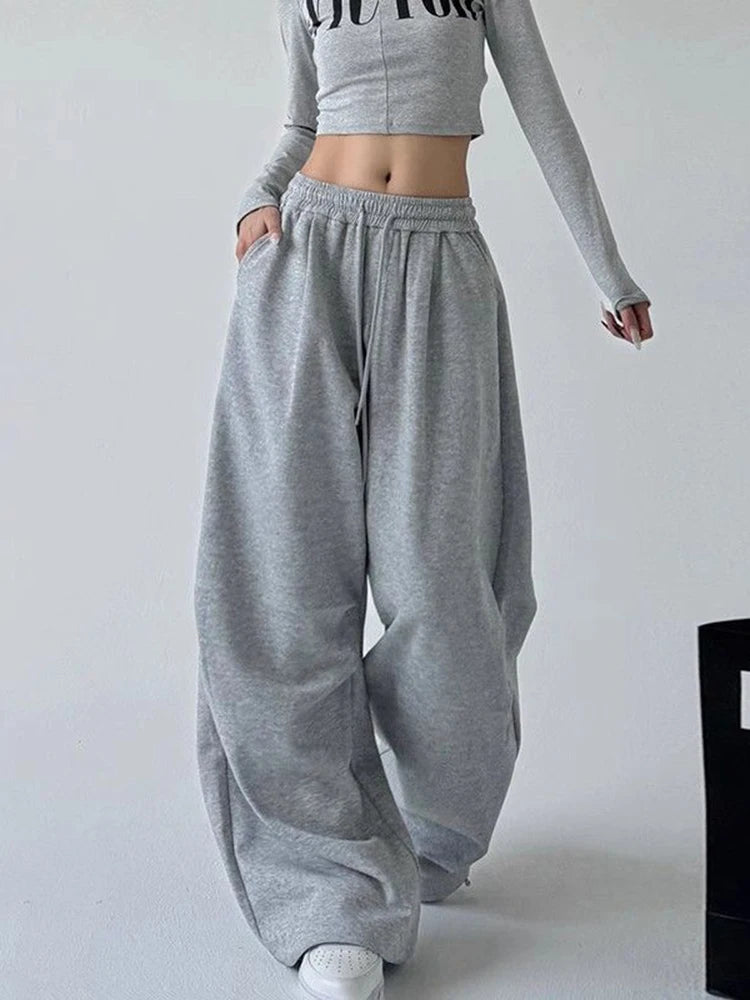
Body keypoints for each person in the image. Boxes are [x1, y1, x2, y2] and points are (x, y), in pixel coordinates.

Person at [193, 2, 654, 998]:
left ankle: (423, 827)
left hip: (442, 266)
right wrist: (255, 201)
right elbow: (301, 122)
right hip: (306, 256)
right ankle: (328, 892)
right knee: (285, 578)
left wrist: (608, 272)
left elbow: (544, 113)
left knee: (446, 588)